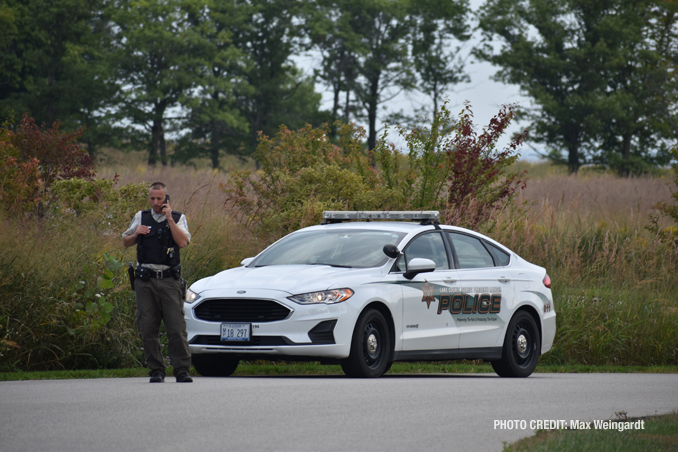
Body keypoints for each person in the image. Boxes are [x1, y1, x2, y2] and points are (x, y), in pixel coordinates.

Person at [123, 182, 193, 383]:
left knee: (175, 326)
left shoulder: (179, 218)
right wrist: (137, 233)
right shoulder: (141, 217)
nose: (155, 202)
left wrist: (169, 219)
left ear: (166, 199)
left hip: (169, 279)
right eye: (152, 198)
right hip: (145, 281)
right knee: (147, 326)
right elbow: (125, 241)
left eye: (159, 199)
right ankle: (156, 370)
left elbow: (182, 242)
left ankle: (181, 369)